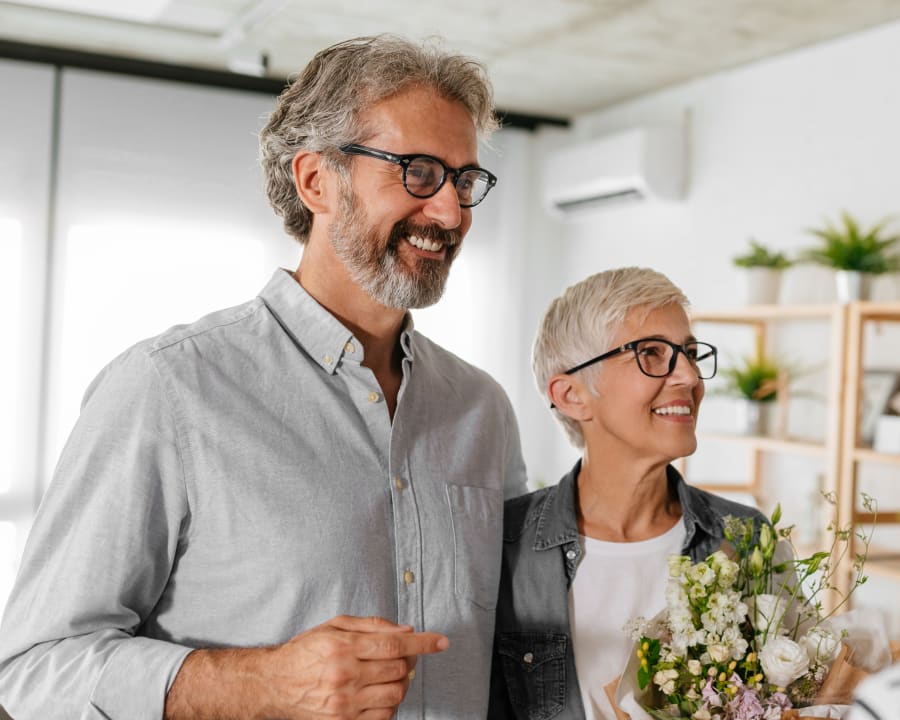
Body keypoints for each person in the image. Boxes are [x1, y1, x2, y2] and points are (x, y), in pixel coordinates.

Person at [0, 34, 527, 719]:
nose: (452, 212)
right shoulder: (167, 389)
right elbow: (35, 668)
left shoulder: (482, 409)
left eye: (463, 180)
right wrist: (258, 684)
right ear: (316, 181)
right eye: (419, 171)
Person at [488, 267, 765, 719]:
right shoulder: (503, 546)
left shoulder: (746, 536)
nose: (690, 378)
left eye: (690, 353)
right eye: (651, 354)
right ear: (572, 394)